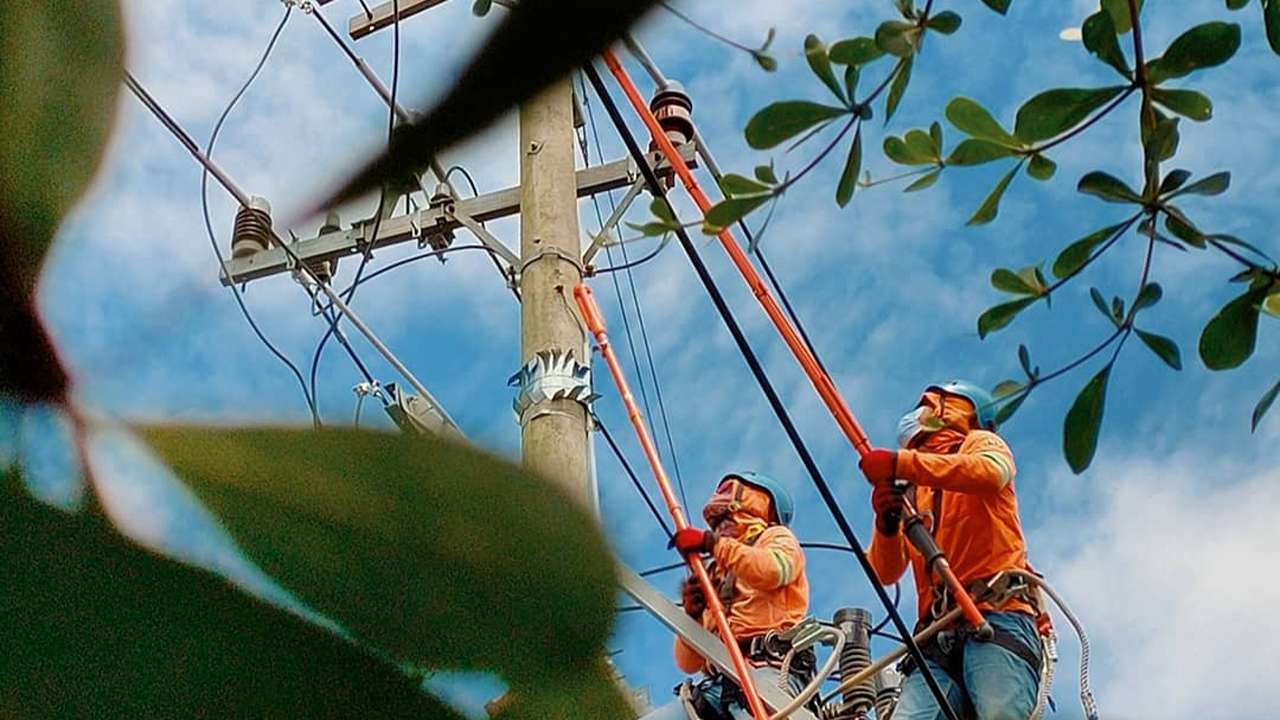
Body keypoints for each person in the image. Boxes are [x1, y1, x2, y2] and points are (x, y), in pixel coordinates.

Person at [858, 381, 1046, 720]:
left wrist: (903, 464)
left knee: (999, 714)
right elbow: (886, 572)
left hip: (996, 614)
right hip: (936, 635)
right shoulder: (915, 489)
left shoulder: (979, 443)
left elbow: (991, 472)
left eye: (930, 405)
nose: (919, 414)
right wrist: (886, 524)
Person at [640, 472, 810, 720]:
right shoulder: (716, 573)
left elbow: (774, 570)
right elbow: (688, 663)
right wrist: (694, 616)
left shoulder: (774, 537)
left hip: (769, 674)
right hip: (718, 686)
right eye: (716, 526)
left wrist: (714, 544)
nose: (720, 528)